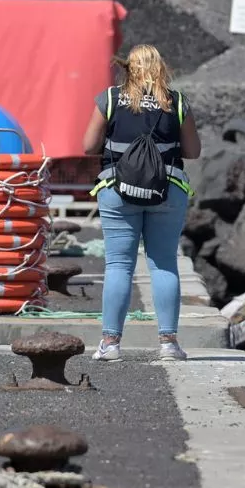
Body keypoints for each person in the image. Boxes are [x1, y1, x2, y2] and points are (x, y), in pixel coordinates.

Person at [81, 44, 201, 362]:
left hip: (117, 190)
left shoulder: (109, 98)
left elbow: (89, 145)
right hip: (167, 190)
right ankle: (168, 344)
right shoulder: (176, 102)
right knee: (163, 263)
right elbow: (192, 151)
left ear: (128, 69)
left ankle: (110, 344)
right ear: (161, 68)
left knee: (119, 265)